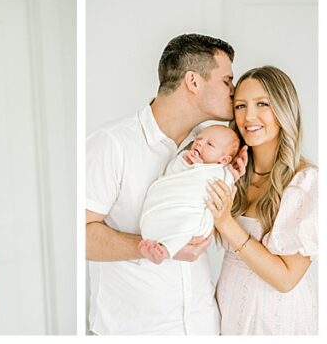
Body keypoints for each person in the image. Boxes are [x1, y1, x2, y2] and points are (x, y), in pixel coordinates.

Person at [85, 33, 246, 334]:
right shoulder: (111, 144)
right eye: (227, 80)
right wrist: (153, 247)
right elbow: (79, 235)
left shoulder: (216, 150)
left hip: (203, 327)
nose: (233, 92)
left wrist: (228, 179)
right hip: (134, 331)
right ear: (193, 82)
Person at [206, 66, 317, 334]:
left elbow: (286, 279)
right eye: (241, 105)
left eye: (262, 104)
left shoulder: (306, 182)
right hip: (229, 312)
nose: (249, 116)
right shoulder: (232, 172)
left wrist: (225, 223)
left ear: (283, 110)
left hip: (275, 321)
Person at [138, 125, 241, 259]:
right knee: (163, 220)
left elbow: (225, 191)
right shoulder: (186, 159)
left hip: (193, 215)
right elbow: (172, 174)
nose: (200, 143)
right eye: (199, 139)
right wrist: (186, 163)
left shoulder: (222, 173)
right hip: (171, 203)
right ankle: (153, 241)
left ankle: (165, 251)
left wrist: (232, 177)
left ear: (224, 160)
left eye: (209, 144)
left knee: (186, 227)